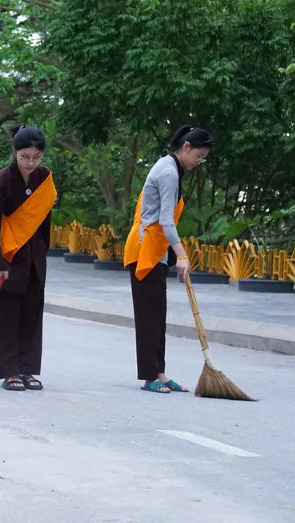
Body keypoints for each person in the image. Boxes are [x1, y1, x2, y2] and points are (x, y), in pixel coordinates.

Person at [123, 126, 213, 394]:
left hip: (156, 251)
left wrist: (172, 256)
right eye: (199, 155)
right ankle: (149, 376)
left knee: (158, 315)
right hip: (144, 252)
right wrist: (182, 255)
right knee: (149, 316)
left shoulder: (171, 168)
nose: (199, 162)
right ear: (186, 147)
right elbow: (165, 220)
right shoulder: (168, 171)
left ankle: (160, 373)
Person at [0, 126, 56, 392]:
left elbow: (45, 222)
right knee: (5, 316)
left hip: (33, 258)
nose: (31, 163)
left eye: (36, 157)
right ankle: (9, 370)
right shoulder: (0, 181)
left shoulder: (44, 178)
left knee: (31, 315)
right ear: (14, 152)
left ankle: (26, 369)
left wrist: (41, 256)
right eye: (25, 157)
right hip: (5, 259)